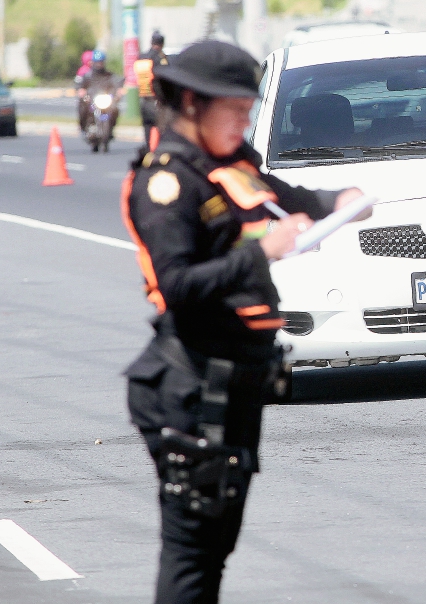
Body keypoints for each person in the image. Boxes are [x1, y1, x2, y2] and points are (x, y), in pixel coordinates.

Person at [121, 40, 370, 604]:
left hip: (238, 377)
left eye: (250, 109)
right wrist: (263, 254)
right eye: (234, 110)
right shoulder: (167, 183)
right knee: (192, 549)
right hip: (189, 386)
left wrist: (341, 199)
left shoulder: (230, 163)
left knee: (217, 544)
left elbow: (287, 195)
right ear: (190, 102)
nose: (245, 121)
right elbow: (177, 285)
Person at [135, 31, 170, 145]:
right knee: (163, 130)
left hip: (144, 99)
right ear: (162, 44)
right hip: (158, 101)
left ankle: (148, 151)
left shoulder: (142, 57)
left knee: (147, 129)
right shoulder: (161, 59)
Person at [77, 48, 115, 133]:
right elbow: (80, 85)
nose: (99, 65)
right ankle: (83, 126)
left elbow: (115, 84)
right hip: (91, 100)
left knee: (115, 109)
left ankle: (111, 128)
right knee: (83, 107)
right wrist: (82, 91)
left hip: (104, 100)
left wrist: (118, 91)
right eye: (97, 62)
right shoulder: (87, 75)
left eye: (101, 62)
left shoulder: (108, 75)